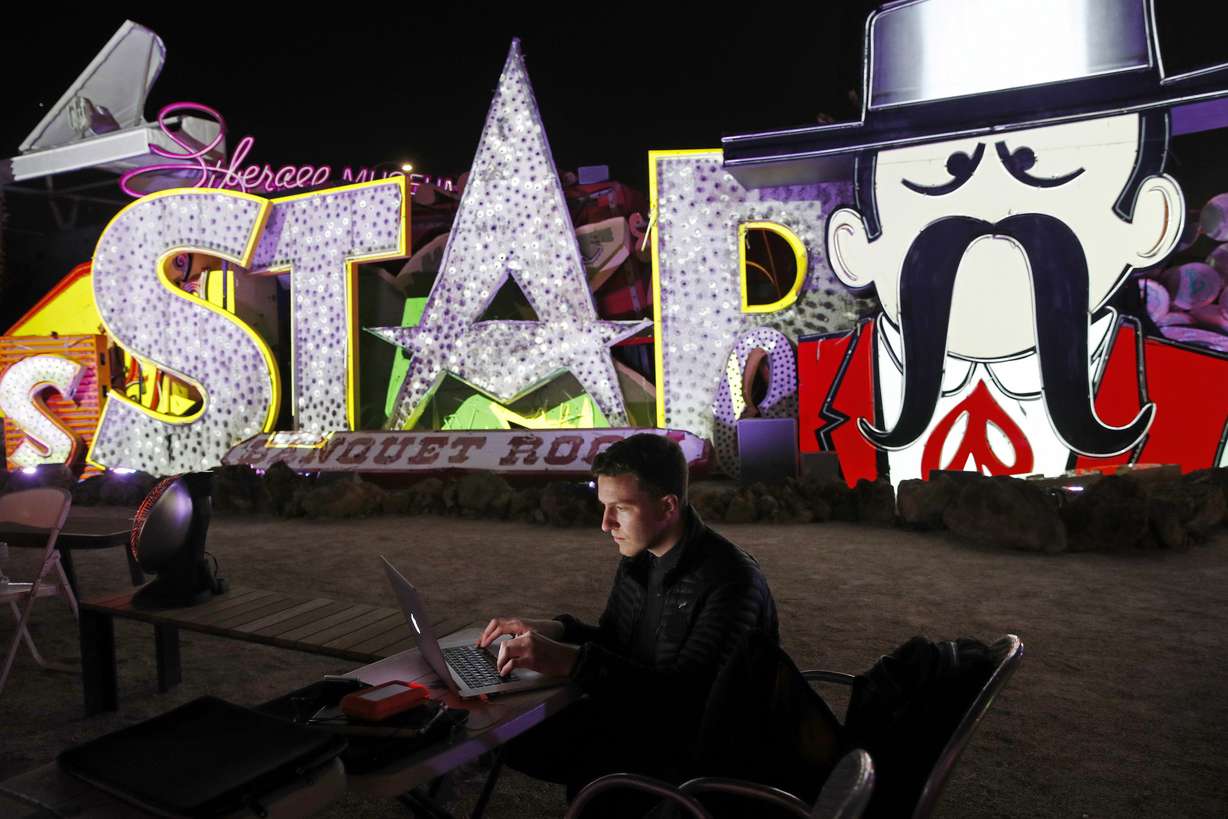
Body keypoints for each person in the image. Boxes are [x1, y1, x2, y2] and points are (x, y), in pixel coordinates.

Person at [477, 432, 779, 799]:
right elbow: (616, 641)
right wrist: (557, 630)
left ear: (668, 507)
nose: (605, 524)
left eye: (620, 508)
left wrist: (572, 661)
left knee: (517, 736)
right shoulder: (640, 559)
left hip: (687, 755)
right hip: (634, 717)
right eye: (604, 506)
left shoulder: (732, 581)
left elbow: (686, 706)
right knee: (493, 726)